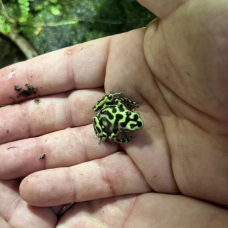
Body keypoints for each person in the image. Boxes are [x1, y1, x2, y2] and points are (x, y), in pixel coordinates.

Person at [0, 0, 228, 227]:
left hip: (111, 111)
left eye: (133, 122)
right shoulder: (121, 127)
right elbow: (115, 132)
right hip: (105, 118)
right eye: (133, 124)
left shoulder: (128, 118)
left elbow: (119, 118)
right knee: (103, 129)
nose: (137, 123)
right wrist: (118, 133)